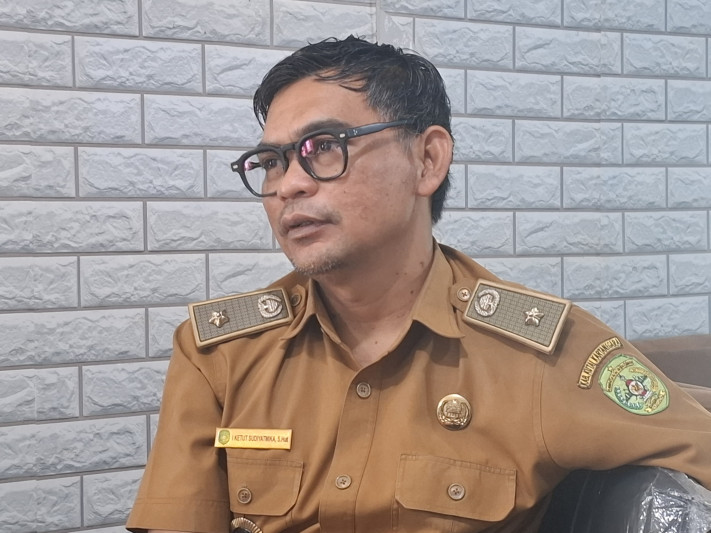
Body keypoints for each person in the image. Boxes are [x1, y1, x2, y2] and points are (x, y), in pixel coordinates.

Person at [126, 36, 711, 533]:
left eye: (323, 148)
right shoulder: (221, 354)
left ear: (427, 160)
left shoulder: (538, 355)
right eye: (272, 161)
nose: (288, 186)